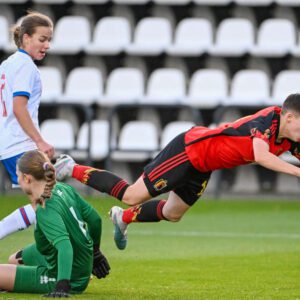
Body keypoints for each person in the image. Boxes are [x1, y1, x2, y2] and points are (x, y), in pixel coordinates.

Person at [54, 93, 300, 250]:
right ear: (289, 117)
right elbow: (261, 155)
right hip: (189, 151)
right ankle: (71, 167)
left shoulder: (291, 138)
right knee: (131, 195)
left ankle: (123, 218)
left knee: (173, 213)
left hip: (204, 166)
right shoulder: (269, 120)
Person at [0, 150, 110, 297]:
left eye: (18, 176)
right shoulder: (63, 188)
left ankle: (63, 277)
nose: (17, 180)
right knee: (14, 260)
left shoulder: (45, 207)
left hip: (70, 277)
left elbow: (65, 247)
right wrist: (95, 254)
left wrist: (62, 285)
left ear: (26, 178)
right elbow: (95, 220)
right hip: (81, 262)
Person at [0, 11, 55, 240]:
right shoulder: (25, 66)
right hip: (20, 145)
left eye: (49, 40)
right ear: (26, 38)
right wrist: (39, 141)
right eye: (42, 39)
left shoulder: (8, 63)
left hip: (10, 143)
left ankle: (43, 257)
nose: (47, 45)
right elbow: (19, 108)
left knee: (47, 203)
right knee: (48, 204)